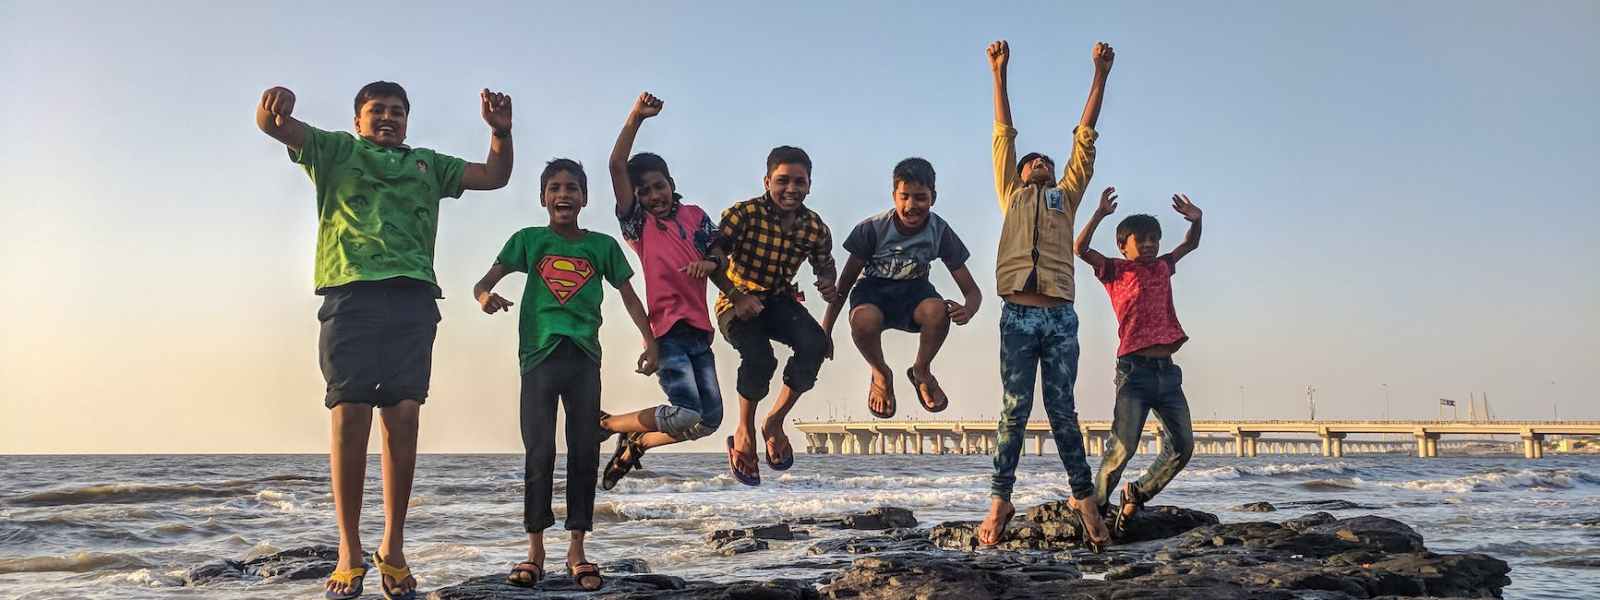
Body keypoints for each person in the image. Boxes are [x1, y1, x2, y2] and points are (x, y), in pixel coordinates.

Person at [256, 81, 512, 600]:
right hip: (349, 293)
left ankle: (392, 547)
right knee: (349, 415)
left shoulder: (428, 163)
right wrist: (273, 101)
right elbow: (273, 126)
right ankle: (349, 548)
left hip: (413, 297)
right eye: (377, 111)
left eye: (397, 111)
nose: (388, 118)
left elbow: (494, 176)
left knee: (403, 418)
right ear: (358, 120)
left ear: (407, 121)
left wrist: (500, 133)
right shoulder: (334, 150)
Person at [472, 159, 655, 592]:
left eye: (572, 188)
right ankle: (534, 550)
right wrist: (484, 297)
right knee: (539, 453)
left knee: (583, 453)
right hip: (538, 357)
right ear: (543, 198)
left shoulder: (602, 246)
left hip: (584, 358)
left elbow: (629, 296)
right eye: (554, 188)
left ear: (584, 198)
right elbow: (484, 282)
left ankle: (577, 550)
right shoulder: (528, 240)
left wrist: (650, 340)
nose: (563, 194)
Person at [976, 39, 1116, 550]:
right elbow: (1003, 136)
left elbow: (1084, 142)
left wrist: (1099, 74)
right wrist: (999, 73)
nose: (1038, 162)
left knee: (1062, 411)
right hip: (1017, 314)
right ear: (1018, 173)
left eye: (1046, 162)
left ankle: (1084, 498)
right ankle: (1000, 499)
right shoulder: (1011, 194)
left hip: (1059, 318)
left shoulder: (1066, 197)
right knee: (1013, 411)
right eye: (1031, 161)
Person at [596, 92, 725, 490]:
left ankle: (638, 443)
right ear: (635, 198)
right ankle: (608, 424)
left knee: (710, 420)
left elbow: (720, 250)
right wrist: (636, 117)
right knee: (686, 413)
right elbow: (616, 165)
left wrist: (713, 264)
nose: (654, 196)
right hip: (667, 332)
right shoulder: (640, 226)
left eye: (659, 186)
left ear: (672, 184)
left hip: (700, 332)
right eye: (645, 192)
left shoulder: (695, 216)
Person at [710, 146, 840, 485]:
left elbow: (825, 264)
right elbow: (714, 257)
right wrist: (738, 296)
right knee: (760, 358)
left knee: (815, 344)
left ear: (809, 185)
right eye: (783, 181)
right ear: (767, 182)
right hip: (736, 301)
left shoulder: (814, 226)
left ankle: (774, 421)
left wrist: (827, 283)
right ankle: (744, 429)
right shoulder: (743, 214)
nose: (791, 189)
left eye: (799, 181)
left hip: (779, 300)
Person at [1077, 188, 1203, 536]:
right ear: (1123, 246)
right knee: (1122, 448)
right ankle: (1096, 510)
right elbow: (1080, 249)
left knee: (1183, 446)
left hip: (1168, 374)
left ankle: (1137, 493)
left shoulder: (1163, 266)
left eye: (1154, 240)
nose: (1149, 245)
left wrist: (1197, 220)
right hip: (1133, 372)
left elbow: (1190, 244)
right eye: (1141, 240)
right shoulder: (1114, 270)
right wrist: (1099, 214)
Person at [821, 157, 982, 418]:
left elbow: (972, 291)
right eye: (904, 197)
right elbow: (844, 285)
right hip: (873, 292)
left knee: (937, 310)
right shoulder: (871, 229)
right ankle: (881, 373)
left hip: (914, 293)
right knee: (862, 319)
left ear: (933, 197)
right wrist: (825, 330)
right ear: (894, 196)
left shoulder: (939, 231)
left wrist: (968, 310)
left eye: (920, 197)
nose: (911, 206)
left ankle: (921, 371)